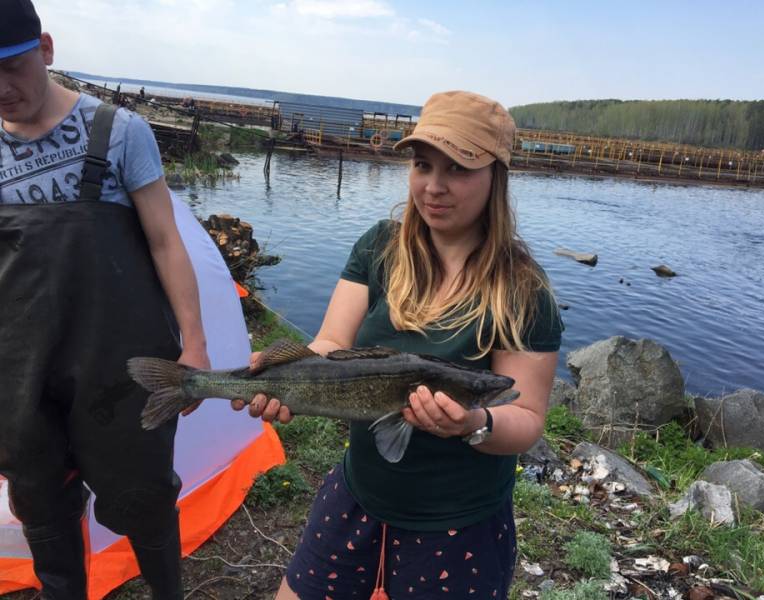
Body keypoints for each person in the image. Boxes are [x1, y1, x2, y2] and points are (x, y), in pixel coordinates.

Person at [234, 90, 563, 599]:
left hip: (458, 525)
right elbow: (330, 343)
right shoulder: (379, 247)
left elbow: (526, 416)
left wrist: (474, 424)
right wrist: (280, 374)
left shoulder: (524, 291)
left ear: (495, 176)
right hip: (358, 494)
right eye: (422, 164)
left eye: (457, 168)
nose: (433, 186)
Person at [0, 1, 209, 598]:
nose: (3, 89)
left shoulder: (119, 132)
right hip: (20, 367)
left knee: (143, 493)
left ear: (45, 48)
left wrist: (193, 345)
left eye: (12, 66)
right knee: (39, 495)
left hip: (121, 362)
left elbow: (167, 242)